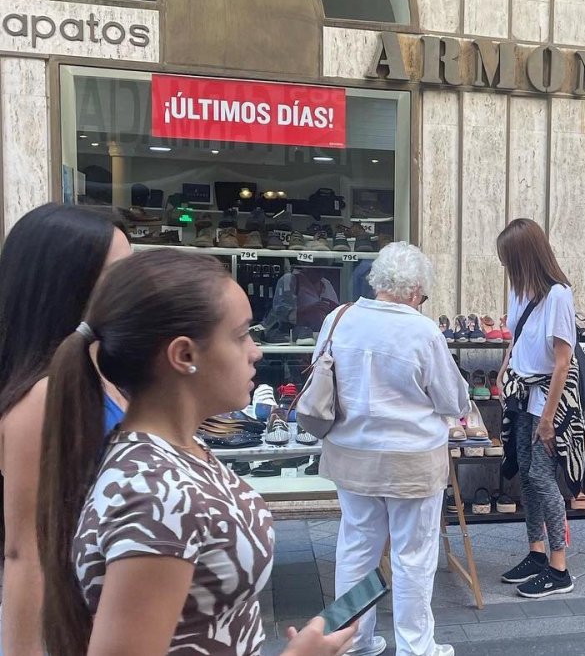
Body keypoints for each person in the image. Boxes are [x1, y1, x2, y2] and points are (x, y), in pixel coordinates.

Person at [37, 249, 355, 656]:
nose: (256, 351)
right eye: (240, 335)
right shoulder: (157, 494)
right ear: (184, 355)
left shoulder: (175, 452)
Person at [316, 242, 468, 656]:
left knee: (355, 549)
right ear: (416, 288)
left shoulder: (338, 318)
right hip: (411, 459)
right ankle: (416, 647)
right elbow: (452, 401)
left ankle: (350, 641)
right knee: (412, 554)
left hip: (350, 454)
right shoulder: (421, 330)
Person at [0, 204, 131, 655]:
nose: (130, 288)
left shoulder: (98, 369)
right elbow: (27, 553)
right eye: (116, 273)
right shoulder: (43, 396)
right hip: (76, 623)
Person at [495, 218, 585, 599]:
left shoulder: (559, 296)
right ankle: (536, 553)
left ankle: (559, 566)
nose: (505, 268)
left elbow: (562, 363)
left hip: (549, 401)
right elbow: (516, 341)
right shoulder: (521, 292)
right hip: (521, 397)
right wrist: (503, 374)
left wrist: (548, 421)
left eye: (508, 260)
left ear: (524, 258)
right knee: (527, 477)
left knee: (545, 479)